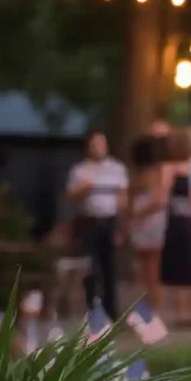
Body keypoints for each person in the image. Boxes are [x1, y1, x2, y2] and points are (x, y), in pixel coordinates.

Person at [66, 129, 128, 319]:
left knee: (109, 267)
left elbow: (123, 198)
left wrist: (121, 227)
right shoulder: (80, 170)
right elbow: (70, 197)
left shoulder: (117, 169)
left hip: (109, 221)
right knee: (90, 266)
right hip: (89, 222)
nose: (98, 148)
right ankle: (92, 307)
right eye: (94, 144)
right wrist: (83, 189)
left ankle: (112, 311)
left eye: (101, 144)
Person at [160, 127, 191, 326]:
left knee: (178, 266)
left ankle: (181, 314)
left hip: (176, 221)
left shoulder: (168, 168)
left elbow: (162, 197)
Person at [126, 135, 168, 311]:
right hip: (154, 223)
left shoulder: (143, 176)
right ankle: (151, 306)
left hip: (147, 224)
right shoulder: (160, 173)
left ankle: (153, 307)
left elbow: (158, 200)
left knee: (149, 269)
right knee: (151, 269)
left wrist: (136, 215)